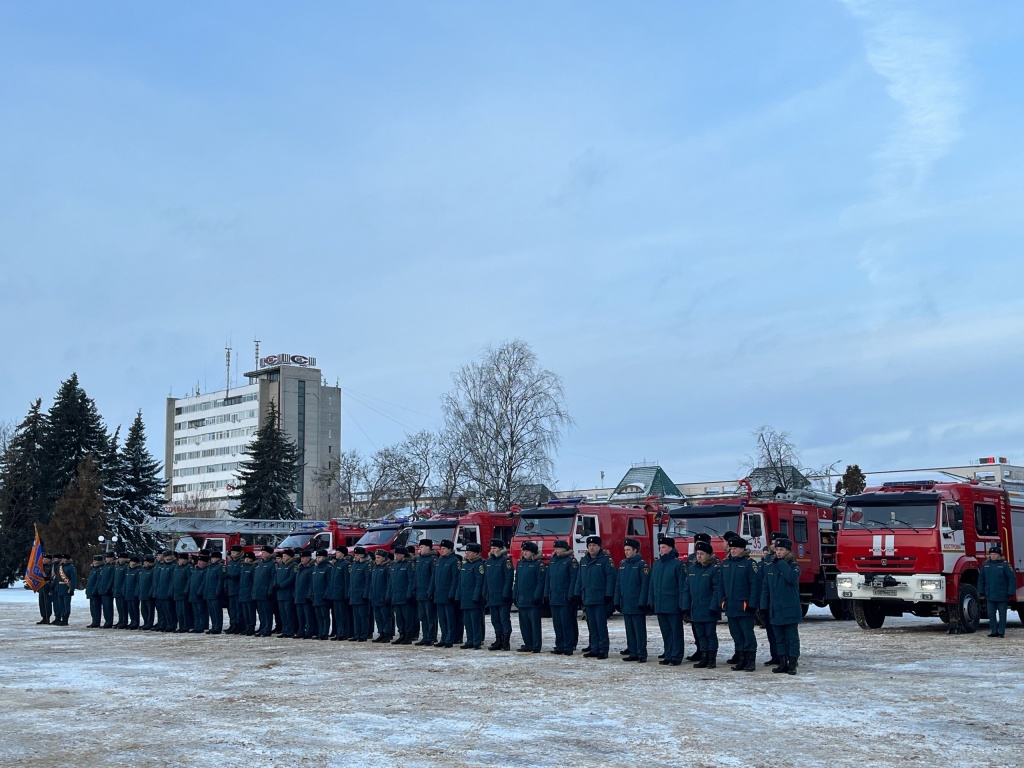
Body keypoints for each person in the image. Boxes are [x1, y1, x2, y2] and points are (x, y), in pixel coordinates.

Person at [759, 537, 802, 674]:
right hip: (775, 610)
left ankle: (792, 663)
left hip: (790, 609)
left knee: (792, 638)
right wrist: (763, 606)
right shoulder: (770, 567)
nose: (778, 552)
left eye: (781, 550)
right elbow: (765, 588)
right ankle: (782, 663)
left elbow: (790, 577)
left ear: (788, 551)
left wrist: (782, 563)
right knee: (779, 638)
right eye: (776, 550)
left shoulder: (794, 566)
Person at [681, 540, 723, 669]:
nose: (699, 556)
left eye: (702, 554)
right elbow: (686, 589)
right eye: (697, 553)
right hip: (696, 609)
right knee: (701, 635)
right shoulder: (693, 569)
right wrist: (686, 606)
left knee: (710, 635)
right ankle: (703, 657)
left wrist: (714, 606)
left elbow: (717, 590)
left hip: (709, 609)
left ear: (709, 555)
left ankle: (711, 659)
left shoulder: (714, 570)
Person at [721, 536, 760, 672]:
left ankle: (750, 660)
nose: (733, 551)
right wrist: (722, 601)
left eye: (735, 548)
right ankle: (741, 658)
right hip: (731, 606)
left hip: (744, 606)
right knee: (736, 634)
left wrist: (753, 604)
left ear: (742, 549)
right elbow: (721, 586)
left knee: (747, 634)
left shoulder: (749, 564)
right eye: (731, 548)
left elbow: (755, 585)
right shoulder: (725, 564)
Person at [576, 535, 616, 659]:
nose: (591, 548)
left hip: (600, 598)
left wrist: (609, 594)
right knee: (591, 625)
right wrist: (577, 593)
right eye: (589, 545)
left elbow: (611, 578)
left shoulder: (605, 560)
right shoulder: (583, 561)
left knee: (600, 625)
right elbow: (579, 579)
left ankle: (603, 649)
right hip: (587, 598)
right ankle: (594, 648)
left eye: (594, 545)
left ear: (599, 547)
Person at [650, 536, 686, 666]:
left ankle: (676, 656)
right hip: (660, 603)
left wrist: (682, 604)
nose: (661, 550)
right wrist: (651, 601)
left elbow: (682, 586)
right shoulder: (657, 564)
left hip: (673, 604)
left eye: (664, 547)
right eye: (660, 548)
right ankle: (668, 653)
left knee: (675, 632)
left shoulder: (678, 565)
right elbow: (652, 584)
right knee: (665, 632)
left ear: (671, 548)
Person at [614, 538, 650, 663]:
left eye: (629, 550)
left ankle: (641, 654)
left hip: (636, 603)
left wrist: (642, 601)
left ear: (635, 550)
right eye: (625, 550)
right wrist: (616, 599)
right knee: (629, 630)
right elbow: (618, 583)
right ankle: (633, 651)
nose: (626, 552)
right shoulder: (623, 564)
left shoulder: (642, 564)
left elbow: (645, 584)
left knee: (639, 630)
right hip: (626, 602)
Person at [545, 539, 579, 655]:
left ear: (564, 549)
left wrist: (571, 594)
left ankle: (569, 645)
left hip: (565, 597)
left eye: (558, 548)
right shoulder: (553, 560)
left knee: (567, 623)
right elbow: (548, 578)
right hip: (554, 597)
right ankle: (560, 645)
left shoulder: (570, 561)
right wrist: (546, 593)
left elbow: (574, 579)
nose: (556, 550)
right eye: (555, 548)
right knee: (557, 623)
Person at [513, 541, 546, 653]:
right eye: (523, 550)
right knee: (524, 625)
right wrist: (515, 594)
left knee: (534, 625)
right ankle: (528, 644)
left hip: (533, 600)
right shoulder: (520, 564)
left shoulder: (538, 565)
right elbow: (516, 581)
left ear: (533, 553)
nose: (524, 552)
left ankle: (536, 645)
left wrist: (537, 596)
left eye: (527, 551)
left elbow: (540, 582)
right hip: (522, 599)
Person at [685, 533, 712, 661]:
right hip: (695, 604)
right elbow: (688, 584)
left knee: (709, 633)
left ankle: (709, 656)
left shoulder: (714, 564)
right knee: (698, 631)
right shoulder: (692, 562)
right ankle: (700, 651)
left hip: (707, 604)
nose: (699, 555)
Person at [979, 544, 1016, 638]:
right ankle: (994, 631)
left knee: (1002, 614)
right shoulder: (985, 565)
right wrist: (981, 590)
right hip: (990, 595)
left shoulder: (1005, 565)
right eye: (991, 554)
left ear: (999, 555)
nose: (993, 556)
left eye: (995, 554)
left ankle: (1001, 631)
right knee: (991, 614)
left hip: (1002, 594)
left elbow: (1012, 579)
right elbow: (981, 579)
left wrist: (1010, 592)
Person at [484, 538, 514, 651]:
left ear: (500, 548)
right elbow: (486, 579)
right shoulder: (489, 561)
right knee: (495, 620)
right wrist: (485, 593)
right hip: (492, 596)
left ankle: (506, 641)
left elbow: (508, 578)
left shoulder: (505, 561)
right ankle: (498, 640)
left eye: (494, 548)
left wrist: (506, 593)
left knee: (504, 619)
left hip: (502, 597)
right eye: (491, 548)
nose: (492, 550)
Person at [431, 539, 460, 648]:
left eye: (444, 549)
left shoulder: (454, 561)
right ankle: (443, 637)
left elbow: (455, 579)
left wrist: (452, 593)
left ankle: (450, 638)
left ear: (450, 549)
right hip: (439, 594)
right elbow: (435, 577)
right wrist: (432, 590)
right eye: (441, 549)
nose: (441, 551)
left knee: (450, 618)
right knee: (442, 619)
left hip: (448, 594)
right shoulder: (440, 560)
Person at [458, 543, 486, 649]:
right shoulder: (465, 565)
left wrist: (476, 596)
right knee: (467, 622)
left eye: (469, 552)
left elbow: (479, 582)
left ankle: (477, 641)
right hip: (465, 598)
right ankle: (469, 640)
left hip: (474, 599)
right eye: (467, 552)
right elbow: (460, 582)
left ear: (476, 553)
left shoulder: (479, 565)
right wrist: (459, 595)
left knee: (475, 621)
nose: (467, 554)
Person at [759, 539, 781, 666]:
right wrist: (762, 605)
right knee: (771, 632)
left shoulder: (788, 562)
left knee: (782, 633)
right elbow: (763, 584)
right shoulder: (767, 561)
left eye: (776, 544)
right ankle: (775, 655)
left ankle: (785, 656)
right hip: (769, 602)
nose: (773, 546)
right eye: (773, 544)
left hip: (780, 603)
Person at [388, 546, 416, 644]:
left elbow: (411, 580)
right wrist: (390, 594)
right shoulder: (394, 565)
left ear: (404, 555)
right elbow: (391, 582)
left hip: (405, 597)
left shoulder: (409, 565)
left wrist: (409, 594)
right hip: (396, 596)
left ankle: (408, 636)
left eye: (399, 554)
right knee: (399, 618)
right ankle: (401, 634)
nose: (397, 556)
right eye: (396, 554)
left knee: (407, 618)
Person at [413, 539, 438, 646]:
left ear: (428, 547)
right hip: (420, 592)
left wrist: (431, 590)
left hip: (427, 592)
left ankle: (431, 637)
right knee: (423, 617)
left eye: (422, 547)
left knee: (430, 616)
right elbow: (416, 576)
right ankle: (425, 636)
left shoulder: (432, 560)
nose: (420, 549)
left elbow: (434, 577)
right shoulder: (419, 560)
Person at [347, 546, 372, 642]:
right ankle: (356, 634)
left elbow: (367, 581)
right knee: (356, 617)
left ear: (362, 555)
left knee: (363, 616)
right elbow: (351, 581)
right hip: (354, 595)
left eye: (357, 555)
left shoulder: (365, 565)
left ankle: (363, 634)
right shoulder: (354, 565)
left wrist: (365, 594)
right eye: (355, 555)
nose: (355, 557)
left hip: (361, 595)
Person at [252, 545, 277, 637]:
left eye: (265, 553)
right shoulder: (260, 564)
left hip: (266, 592)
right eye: (262, 552)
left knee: (267, 612)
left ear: (270, 554)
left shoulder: (272, 564)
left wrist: (270, 591)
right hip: (258, 592)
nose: (262, 554)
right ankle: (263, 628)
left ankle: (267, 629)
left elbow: (273, 579)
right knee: (261, 612)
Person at [327, 547, 351, 641]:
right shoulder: (336, 564)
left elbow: (346, 580)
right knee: (337, 615)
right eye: (336, 552)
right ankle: (338, 632)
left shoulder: (345, 564)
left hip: (341, 594)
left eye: (338, 552)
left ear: (343, 554)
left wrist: (346, 594)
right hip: (335, 594)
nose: (336, 553)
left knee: (343, 614)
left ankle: (344, 632)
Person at [369, 550, 393, 642]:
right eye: (376, 557)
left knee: (386, 617)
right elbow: (372, 583)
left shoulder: (386, 568)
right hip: (375, 597)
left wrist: (387, 595)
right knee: (378, 617)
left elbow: (388, 583)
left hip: (383, 597)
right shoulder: (375, 568)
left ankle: (387, 634)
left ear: (384, 558)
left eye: (379, 557)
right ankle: (381, 632)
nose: (377, 559)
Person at [275, 549, 298, 638]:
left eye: (285, 556)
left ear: (289, 556)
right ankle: (285, 629)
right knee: (283, 613)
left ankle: (290, 630)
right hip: (280, 594)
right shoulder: (281, 565)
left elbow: (291, 578)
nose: (283, 557)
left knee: (289, 613)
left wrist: (281, 585)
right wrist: (275, 584)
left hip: (288, 593)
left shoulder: (293, 565)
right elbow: (276, 576)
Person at [311, 549, 333, 640]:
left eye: (320, 557)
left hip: (323, 595)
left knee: (325, 616)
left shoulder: (327, 567)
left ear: (324, 557)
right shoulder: (315, 568)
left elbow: (329, 582)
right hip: (316, 595)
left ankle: (325, 632)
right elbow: (312, 582)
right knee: (318, 616)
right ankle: (320, 632)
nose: (318, 559)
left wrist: (326, 594)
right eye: (317, 557)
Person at [293, 550, 315, 639]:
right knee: (300, 616)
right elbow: (297, 582)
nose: (302, 559)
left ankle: (309, 631)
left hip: (306, 596)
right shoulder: (300, 568)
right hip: (298, 595)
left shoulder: (311, 568)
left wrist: (309, 595)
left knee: (308, 616)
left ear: (309, 558)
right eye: (301, 558)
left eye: (304, 558)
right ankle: (301, 631)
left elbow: (311, 583)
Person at [155, 550, 177, 632]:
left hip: (168, 592)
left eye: (166, 556)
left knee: (170, 610)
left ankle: (171, 625)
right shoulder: (163, 565)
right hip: (161, 591)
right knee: (164, 610)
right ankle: (166, 624)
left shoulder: (174, 565)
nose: (165, 558)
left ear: (171, 556)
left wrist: (170, 591)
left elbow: (172, 580)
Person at [204, 551, 226, 634]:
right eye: (211, 558)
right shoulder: (210, 567)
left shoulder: (220, 567)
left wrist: (218, 591)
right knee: (211, 611)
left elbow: (220, 580)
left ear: (218, 558)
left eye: (214, 558)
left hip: (215, 592)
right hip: (209, 592)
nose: (212, 559)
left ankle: (218, 627)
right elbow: (206, 580)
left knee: (217, 611)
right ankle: (214, 626)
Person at [224, 545, 244, 634]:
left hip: (237, 588)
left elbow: (240, 573)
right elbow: (226, 574)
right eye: (231, 552)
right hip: (231, 588)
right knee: (231, 609)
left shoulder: (241, 562)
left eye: (234, 552)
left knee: (238, 609)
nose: (232, 554)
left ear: (238, 553)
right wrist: (226, 586)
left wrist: (231, 575)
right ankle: (233, 624)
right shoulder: (231, 562)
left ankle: (239, 625)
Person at [52, 554, 76, 625]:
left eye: (64, 559)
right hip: (59, 588)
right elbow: (57, 578)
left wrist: (71, 589)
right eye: (62, 559)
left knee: (66, 605)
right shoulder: (60, 567)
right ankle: (62, 618)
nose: (62, 560)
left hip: (66, 588)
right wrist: (53, 586)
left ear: (67, 559)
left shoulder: (71, 567)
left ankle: (65, 619)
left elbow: (73, 579)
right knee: (60, 604)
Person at [172, 552, 192, 633]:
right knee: (179, 612)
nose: (179, 561)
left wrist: (186, 590)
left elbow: (189, 580)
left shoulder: (188, 568)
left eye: (181, 559)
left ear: (185, 560)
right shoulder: (176, 568)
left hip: (183, 593)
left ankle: (186, 626)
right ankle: (181, 626)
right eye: (179, 559)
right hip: (177, 593)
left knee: (184, 611)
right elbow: (174, 580)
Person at [189, 554, 209, 633]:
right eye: (199, 561)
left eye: (202, 562)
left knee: (201, 611)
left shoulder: (205, 571)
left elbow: (204, 583)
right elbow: (190, 581)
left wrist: (200, 591)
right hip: (193, 594)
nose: (200, 563)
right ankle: (196, 625)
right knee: (196, 612)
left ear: (206, 563)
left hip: (199, 595)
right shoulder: (195, 570)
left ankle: (201, 626)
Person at [238, 551, 257, 635]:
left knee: (250, 611)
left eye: (248, 558)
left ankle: (251, 626)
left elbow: (254, 581)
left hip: (249, 592)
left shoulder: (253, 568)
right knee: (245, 612)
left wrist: (252, 592)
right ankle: (247, 626)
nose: (246, 560)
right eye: (245, 558)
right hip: (243, 592)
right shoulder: (243, 567)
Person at [85, 553, 104, 628]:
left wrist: (95, 590)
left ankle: (96, 622)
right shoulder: (94, 569)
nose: (94, 562)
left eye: (95, 560)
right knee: (92, 608)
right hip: (91, 591)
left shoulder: (100, 569)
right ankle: (94, 621)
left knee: (96, 608)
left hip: (95, 592)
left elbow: (98, 581)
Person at [97, 551, 116, 628]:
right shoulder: (105, 566)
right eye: (106, 557)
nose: (106, 559)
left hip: (107, 590)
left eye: (108, 557)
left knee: (108, 607)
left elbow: (112, 578)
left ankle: (109, 622)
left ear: (112, 558)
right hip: (102, 589)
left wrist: (108, 587)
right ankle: (106, 621)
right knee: (105, 607)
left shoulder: (112, 567)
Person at [138, 554, 156, 630]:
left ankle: (149, 623)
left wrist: (151, 592)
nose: (144, 563)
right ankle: (145, 622)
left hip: (149, 594)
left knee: (150, 610)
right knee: (143, 610)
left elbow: (153, 583)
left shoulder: (152, 570)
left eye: (146, 562)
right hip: (142, 593)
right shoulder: (142, 570)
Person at [124, 556, 141, 630]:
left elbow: (138, 582)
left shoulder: (137, 571)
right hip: (128, 592)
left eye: (132, 562)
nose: (131, 563)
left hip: (134, 592)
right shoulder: (129, 570)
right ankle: (132, 621)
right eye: (130, 562)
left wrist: (136, 592)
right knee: (130, 609)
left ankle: (136, 622)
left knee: (135, 609)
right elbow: (125, 582)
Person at [113, 552, 129, 629]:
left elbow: (126, 579)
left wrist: (123, 589)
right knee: (119, 607)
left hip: (122, 589)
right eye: (119, 558)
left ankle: (124, 621)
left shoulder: (126, 567)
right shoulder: (117, 567)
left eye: (122, 558)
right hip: (117, 589)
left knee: (123, 607)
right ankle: (120, 620)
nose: (120, 559)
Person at [37, 553, 54, 625]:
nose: (44, 560)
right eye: (43, 559)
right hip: (41, 587)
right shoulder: (41, 567)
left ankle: (47, 617)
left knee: (47, 603)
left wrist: (47, 578)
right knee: (41, 603)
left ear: (50, 560)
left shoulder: (51, 567)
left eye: (46, 559)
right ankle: (43, 617)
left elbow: (53, 577)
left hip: (48, 587)